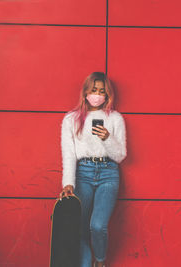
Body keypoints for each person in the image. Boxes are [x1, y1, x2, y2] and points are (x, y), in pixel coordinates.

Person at [59, 72, 127, 267]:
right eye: (94, 90)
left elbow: (120, 155)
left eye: (102, 91)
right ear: (86, 91)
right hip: (83, 174)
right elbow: (69, 154)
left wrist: (107, 137)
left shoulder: (114, 118)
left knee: (97, 226)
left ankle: (100, 260)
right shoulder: (71, 119)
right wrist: (69, 184)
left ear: (108, 95)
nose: (97, 95)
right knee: (79, 228)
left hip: (108, 173)